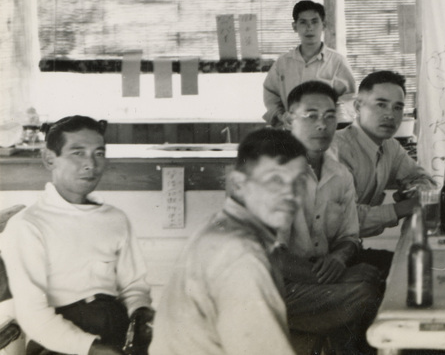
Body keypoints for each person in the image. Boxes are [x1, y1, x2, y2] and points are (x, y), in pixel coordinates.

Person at [1, 115, 153, 355]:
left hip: (118, 332)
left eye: (99, 153)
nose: (90, 164)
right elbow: (33, 316)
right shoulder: (28, 226)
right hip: (58, 343)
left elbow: (134, 287)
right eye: (78, 153)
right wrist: (93, 349)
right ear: (49, 159)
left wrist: (140, 314)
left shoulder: (116, 219)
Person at [150, 128, 308, 355]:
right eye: (275, 180)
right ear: (238, 184)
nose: (291, 193)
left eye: (299, 181)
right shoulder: (240, 253)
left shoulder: (220, 227)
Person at [279, 81, 382, 353]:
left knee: (377, 279)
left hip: (316, 278)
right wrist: (338, 276)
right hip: (273, 289)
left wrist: (339, 259)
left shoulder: (340, 175)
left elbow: (350, 236)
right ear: (289, 120)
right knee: (365, 292)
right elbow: (270, 257)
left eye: (329, 116)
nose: (322, 125)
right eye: (311, 116)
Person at [333, 71, 436, 275]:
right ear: (357, 107)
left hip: (350, 251)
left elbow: (423, 180)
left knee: (428, 266)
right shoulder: (338, 149)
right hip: (324, 260)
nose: (390, 114)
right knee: (413, 273)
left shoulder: (390, 147)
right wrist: (405, 207)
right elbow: (346, 220)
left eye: (397, 107)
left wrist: (413, 190)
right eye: (381, 104)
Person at [262, 0, 356, 127]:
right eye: (303, 22)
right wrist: (282, 116)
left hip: (326, 132)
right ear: (294, 27)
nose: (309, 27)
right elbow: (271, 96)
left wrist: (329, 117)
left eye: (314, 21)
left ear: (324, 25)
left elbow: (349, 98)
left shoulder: (337, 62)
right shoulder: (283, 63)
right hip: (292, 132)